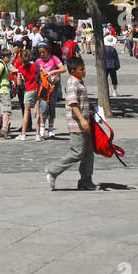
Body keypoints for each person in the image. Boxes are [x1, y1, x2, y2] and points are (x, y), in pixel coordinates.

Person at [45, 54, 97, 192]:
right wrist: (82, 120)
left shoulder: (79, 81)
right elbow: (73, 103)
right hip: (77, 124)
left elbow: (79, 101)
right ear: (73, 70)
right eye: (81, 69)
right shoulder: (72, 82)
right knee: (78, 152)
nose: (84, 71)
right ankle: (53, 170)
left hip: (85, 123)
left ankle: (86, 181)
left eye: (84, 68)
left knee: (88, 153)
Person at [13, 49, 41, 140]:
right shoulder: (35, 65)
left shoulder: (21, 68)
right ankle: (38, 134)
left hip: (28, 90)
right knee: (37, 112)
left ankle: (23, 134)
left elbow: (19, 83)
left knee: (26, 112)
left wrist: (17, 74)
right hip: (37, 89)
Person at [0, 48, 14, 139]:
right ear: (3, 57)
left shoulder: (0, 64)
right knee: (6, 111)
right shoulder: (1, 65)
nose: (9, 59)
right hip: (3, 90)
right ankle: (4, 130)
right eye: (8, 57)